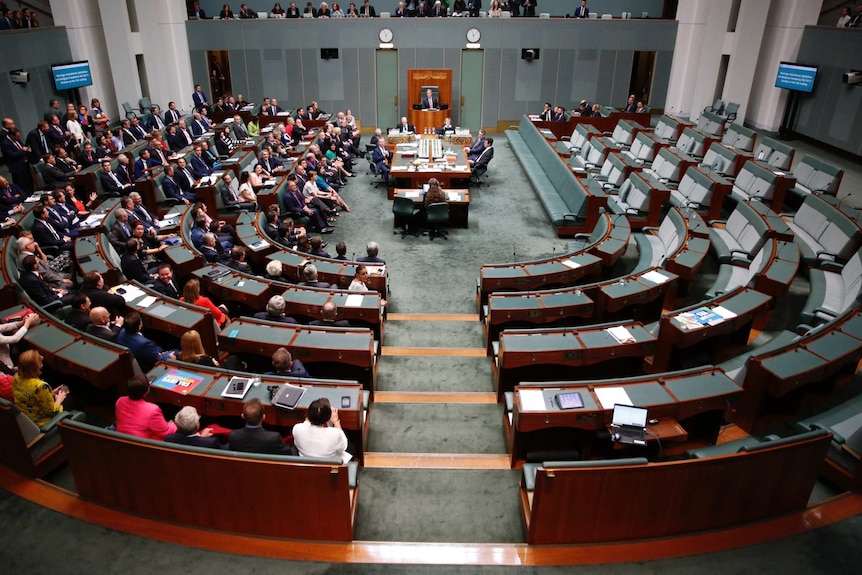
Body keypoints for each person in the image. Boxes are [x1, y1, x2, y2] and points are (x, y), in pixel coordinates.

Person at [12, 350, 68, 427]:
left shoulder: (16, 378)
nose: (42, 357)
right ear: (33, 366)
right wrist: (59, 399)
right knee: (70, 400)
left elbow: (30, 397)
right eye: (38, 358)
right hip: (41, 423)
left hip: (26, 420)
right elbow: (53, 412)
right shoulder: (41, 386)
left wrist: (50, 393)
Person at [115, 374, 177, 440]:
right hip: (143, 445)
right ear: (147, 391)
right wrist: (173, 425)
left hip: (122, 439)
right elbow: (165, 432)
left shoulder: (120, 401)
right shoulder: (152, 410)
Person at [292, 398, 351, 462]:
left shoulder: (297, 428)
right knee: (351, 447)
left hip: (307, 465)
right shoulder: (335, 434)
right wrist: (336, 421)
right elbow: (343, 447)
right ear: (328, 417)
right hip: (329, 467)